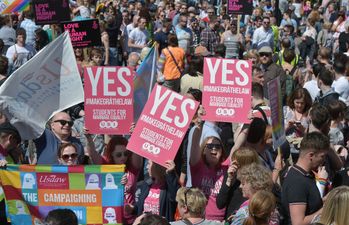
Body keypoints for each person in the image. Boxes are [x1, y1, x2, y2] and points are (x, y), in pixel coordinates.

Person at [281, 132, 330, 225]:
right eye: (322, 156)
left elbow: (310, 204)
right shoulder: (297, 183)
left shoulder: (306, 175)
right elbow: (298, 222)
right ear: (311, 155)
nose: (324, 160)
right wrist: (325, 209)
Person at [216, 147, 260, 221]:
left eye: (236, 162)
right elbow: (220, 204)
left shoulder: (256, 181)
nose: (233, 164)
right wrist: (229, 180)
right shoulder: (231, 176)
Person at [0, 122, 21, 225]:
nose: (16, 146)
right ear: (11, 138)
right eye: (17, 142)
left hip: (7, 205)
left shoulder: (9, 155)